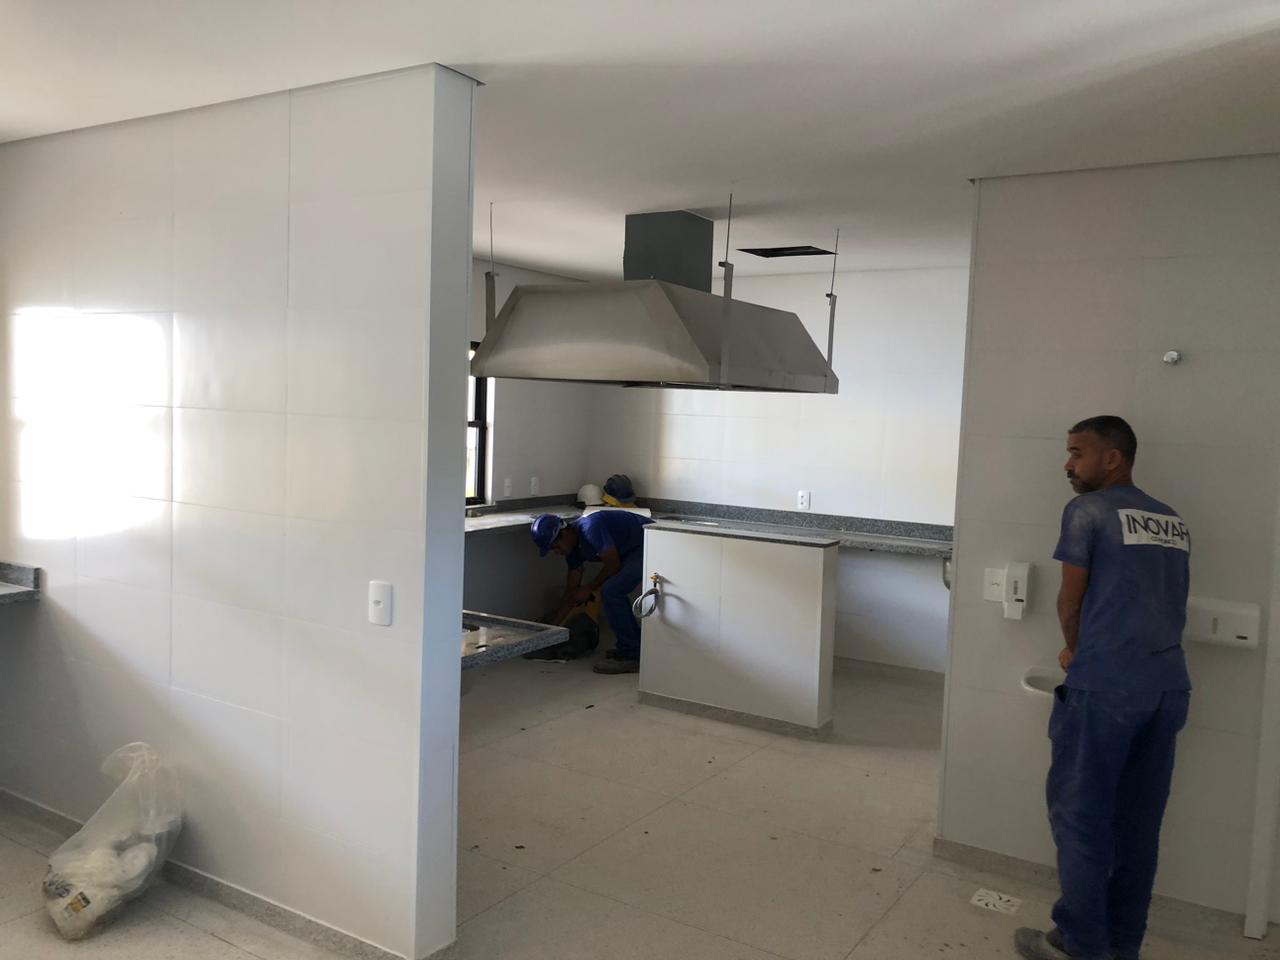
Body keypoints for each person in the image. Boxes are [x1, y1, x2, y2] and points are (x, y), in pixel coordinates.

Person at [1015, 416, 1192, 960]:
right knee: (1138, 828)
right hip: (1167, 688)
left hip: (1107, 689)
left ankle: (1081, 946)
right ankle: (1121, 946)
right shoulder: (1171, 520)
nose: (1068, 464)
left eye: (1077, 453)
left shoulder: (1088, 511)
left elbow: (1070, 598)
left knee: (1081, 820)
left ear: (1112, 458)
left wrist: (1073, 648)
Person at [530, 510, 654, 675]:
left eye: (555, 547)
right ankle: (634, 646)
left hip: (649, 542)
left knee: (611, 591)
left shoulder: (590, 528)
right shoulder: (572, 550)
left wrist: (589, 588)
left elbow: (613, 565)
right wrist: (552, 628)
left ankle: (631, 655)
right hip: (628, 550)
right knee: (611, 590)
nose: (557, 552)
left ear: (565, 533)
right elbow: (571, 592)